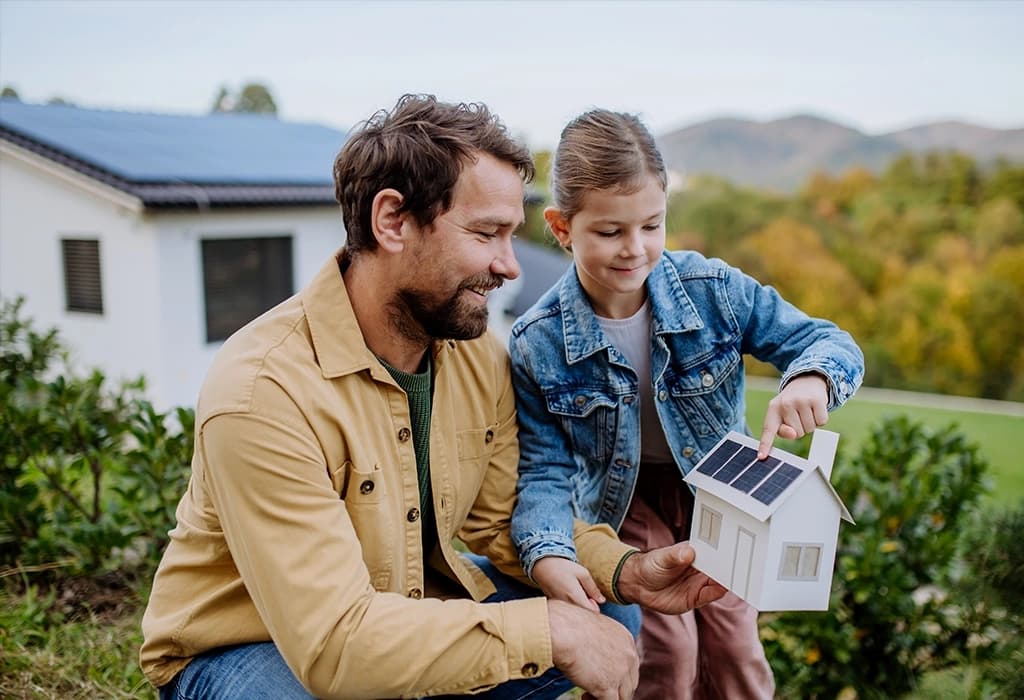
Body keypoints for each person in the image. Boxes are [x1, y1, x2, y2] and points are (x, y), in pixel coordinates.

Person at [139, 94, 726, 700]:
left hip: (403, 608)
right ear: (392, 220)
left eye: (511, 236)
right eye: (485, 234)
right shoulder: (263, 391)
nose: (509, 266)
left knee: (603, 611)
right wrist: (546, 632)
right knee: (553, 628)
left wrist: (624, 569)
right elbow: (335, 643)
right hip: (252, 647)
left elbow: (504, 518)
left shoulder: (474, 352)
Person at [508, 109, 865, 699]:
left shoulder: (713, 291)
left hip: (720, 488)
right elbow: (543, 469)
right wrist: (548, 550)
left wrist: (811, 380)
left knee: (735, 649)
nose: (635, 249)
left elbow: (826, 341)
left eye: (652, 226)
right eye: (610, 231)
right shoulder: (538, 341)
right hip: (622, 505)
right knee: (667, 653)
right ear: (562, 226)